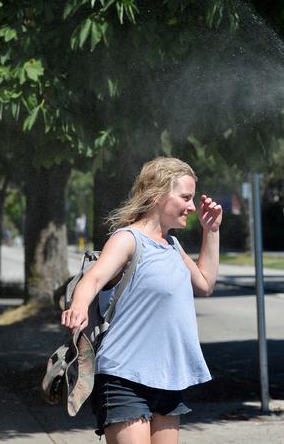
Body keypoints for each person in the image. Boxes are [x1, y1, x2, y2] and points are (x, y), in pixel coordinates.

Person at [61, 157, 223, 444]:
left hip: (169, 377)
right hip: (124, 376)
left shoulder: (172, 245)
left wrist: (211, 231)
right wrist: (78, 306)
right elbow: (94, 279)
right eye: (185, 197)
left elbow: (205, 283)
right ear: (158, 195)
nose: (192, 206)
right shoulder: (128, 239)